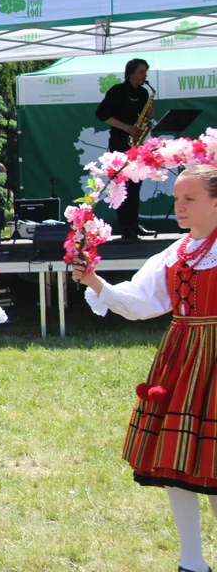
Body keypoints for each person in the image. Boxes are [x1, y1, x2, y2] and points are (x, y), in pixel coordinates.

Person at [72, 164, 217, 572]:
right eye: (177, 198)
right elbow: (141, 302)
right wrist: (96, 283)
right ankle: (192, 562)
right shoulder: (176, 251)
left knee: (214, 463)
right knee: (176, 461)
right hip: (182, 358)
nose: (180, 206)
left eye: (190, 198)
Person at [96, 58, 155, 240]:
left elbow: (142, 117)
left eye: (145, 72)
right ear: (131, 73)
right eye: (141, 72)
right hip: (120, 142)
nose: (144, 76)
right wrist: (126, 127)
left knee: (136, 184)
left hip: (136, 144)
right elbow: (101, 114)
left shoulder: (144, 93)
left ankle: (134, 224)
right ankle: (124, 227)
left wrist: (147, 118)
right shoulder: (117, 91)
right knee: (122, 185)